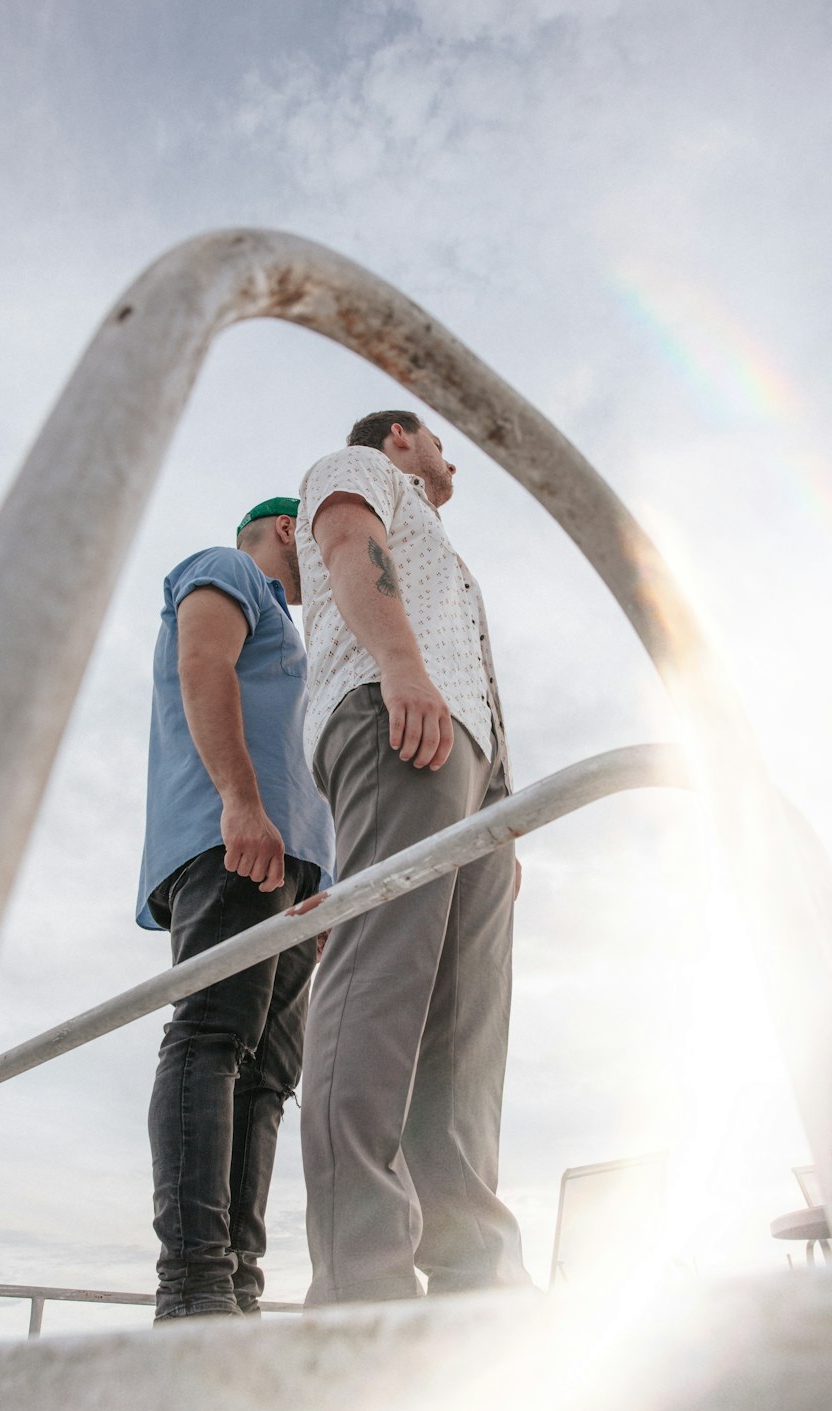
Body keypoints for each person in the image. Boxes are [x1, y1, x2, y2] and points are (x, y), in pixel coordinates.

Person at [296, 410, 529, 1305]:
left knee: (465, 1021)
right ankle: (363, 1282)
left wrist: (506, 814)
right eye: (437, 438)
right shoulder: (357, 465)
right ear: (400, 436)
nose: (450, 457)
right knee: (382, 979)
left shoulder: (446, 550)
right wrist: (400, 667)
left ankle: (477, 1276)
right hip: (394, 712)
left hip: (472, 758)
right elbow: (352, 543)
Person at [137, 498, 335, 1321]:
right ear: (289, 530)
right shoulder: (230, 567)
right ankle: (193, 1283)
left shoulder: (301, 641)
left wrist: (321, 869)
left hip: (297, 868)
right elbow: (203, 666)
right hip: (232, 840)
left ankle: (238, 1283)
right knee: (212, 1036)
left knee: (266, 1078)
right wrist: (242, 804)